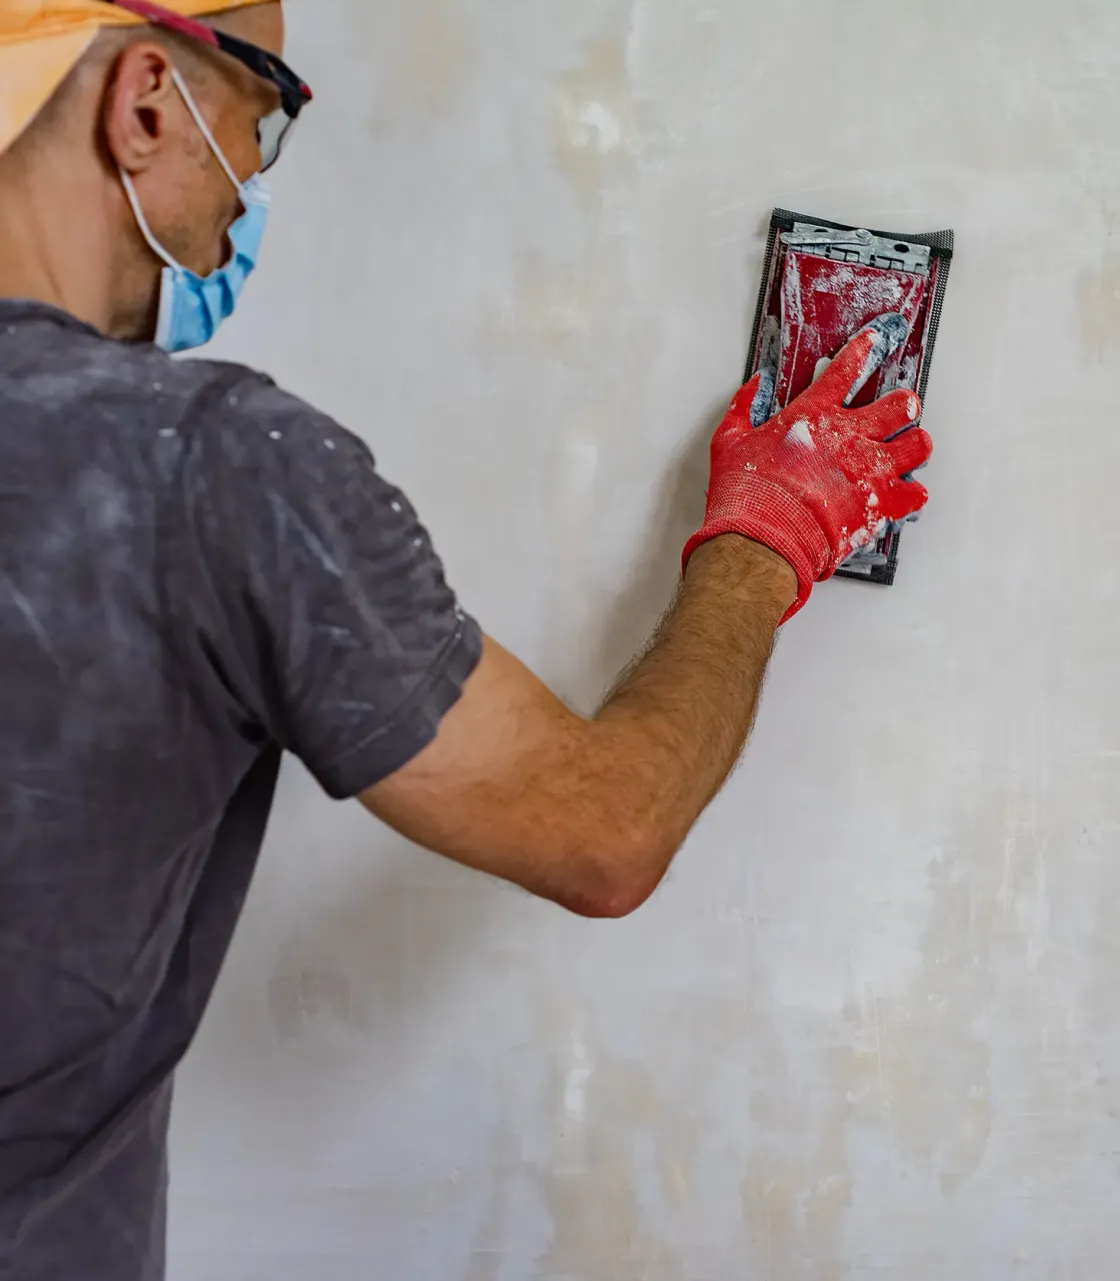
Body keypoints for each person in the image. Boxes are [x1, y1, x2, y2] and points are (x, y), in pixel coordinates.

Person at [0, 1, 935, 1275]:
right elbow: (604, 834)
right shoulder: (212, 471)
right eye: (260, 122)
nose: (252, 193)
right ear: (148, 100)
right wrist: (767, 535)